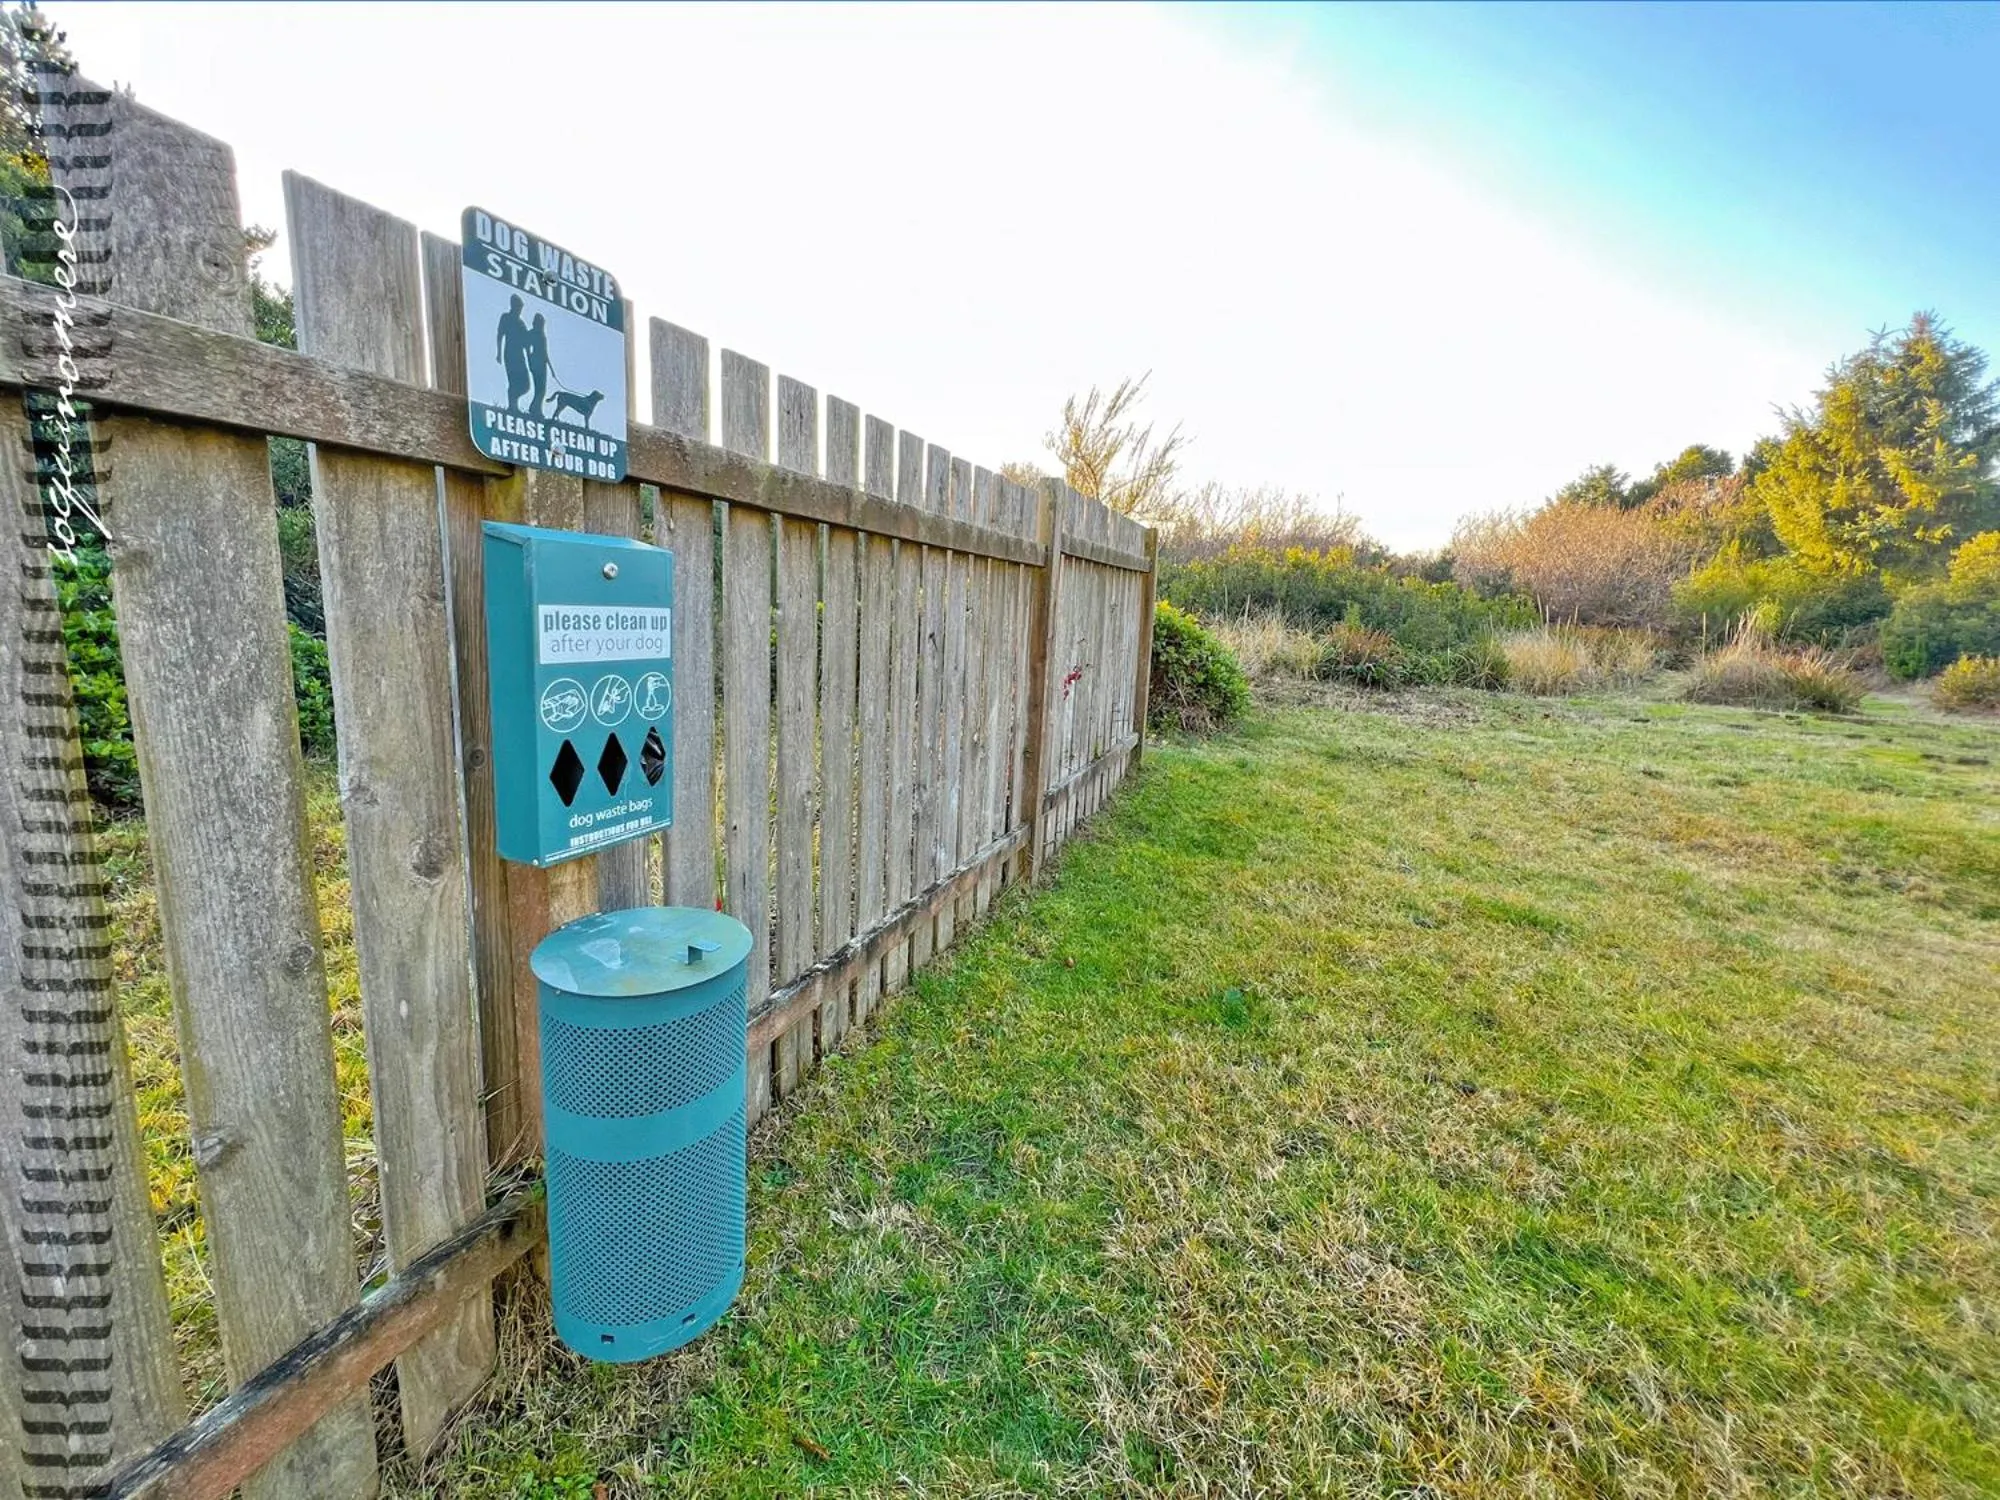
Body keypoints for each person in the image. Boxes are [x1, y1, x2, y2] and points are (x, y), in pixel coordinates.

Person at [495, 295, 532, 414]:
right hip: (510, 353)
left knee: (525, 384)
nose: (520, 310)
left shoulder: (521, 323)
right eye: (519, 307)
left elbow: (526, 341)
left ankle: (514, 404)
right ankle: (512, 407)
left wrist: (529, 356)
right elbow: (500, 335)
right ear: (514, 306)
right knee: (513, 381)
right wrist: (499, 353)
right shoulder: (506, 317)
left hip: (520, 355)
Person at [526, 312, 553, 416]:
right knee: (539, 388)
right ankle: (534, 409)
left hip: (543, 363)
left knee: (542, 389)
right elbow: (527, 348)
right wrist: (530, 361)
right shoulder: (532, 333)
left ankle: (536, 408)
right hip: (536, 362)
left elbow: (545, 352)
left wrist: (551, 369)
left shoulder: (542, 335)